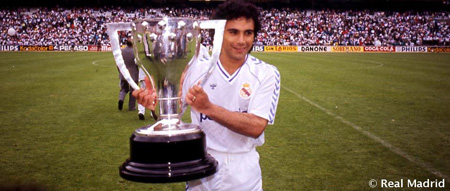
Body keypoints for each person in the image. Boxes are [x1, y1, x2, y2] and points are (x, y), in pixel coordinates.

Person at [133, 1, 281, 190]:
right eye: (233, 32)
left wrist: (209, 108)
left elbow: (256, 126)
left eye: (248, 33)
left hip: (244, 170)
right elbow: (173, 115)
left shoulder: (266, 73)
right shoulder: (194, 69)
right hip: (202, 167)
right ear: (218, 34)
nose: (242, 40)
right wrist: (158, 108)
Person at [118, 39, 139, 111]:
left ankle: (121, 99)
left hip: (123, 72)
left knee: (123, 89)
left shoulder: (122, 51)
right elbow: (138, 63)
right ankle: (131, 106)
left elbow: (118, 63)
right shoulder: (135, 52)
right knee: (133, 91)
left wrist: (119, 71)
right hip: (133, 73)